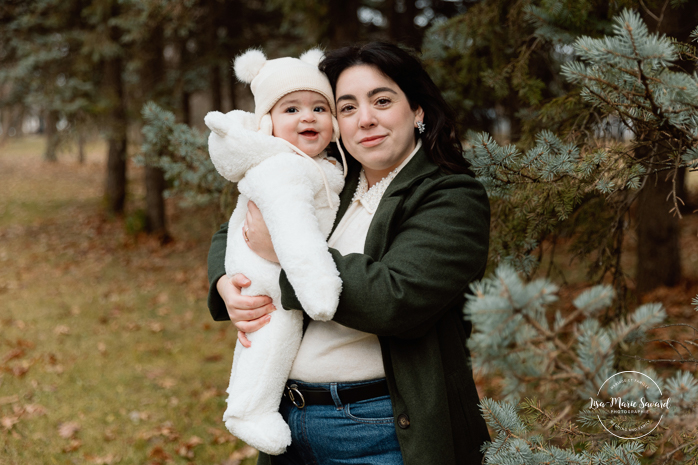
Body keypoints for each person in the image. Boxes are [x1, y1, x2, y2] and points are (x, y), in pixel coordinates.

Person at [208, 42, 491, 465]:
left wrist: (283, 261)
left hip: (379, 429)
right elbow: (237, 224)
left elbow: (396, 299)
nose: (366, 119)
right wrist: (226, 284)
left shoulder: (450, 196)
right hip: (290, 418)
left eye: (381, 100)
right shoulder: (331, 176)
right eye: (347, 107)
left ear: (418, 110)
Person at [205, 48, 347, 455]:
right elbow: (295, 234)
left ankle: (251, 409)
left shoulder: (323, 163)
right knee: (272, 337)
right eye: (291, 109)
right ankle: (247, 410)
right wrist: (318, 288)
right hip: (268, 277)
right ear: (267, 122)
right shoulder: (284, 167)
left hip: (276, 274)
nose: (308, 117)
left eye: (320, 107)